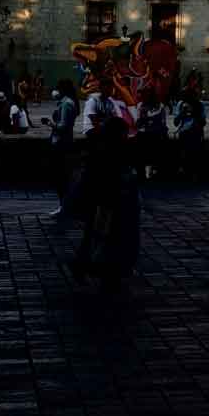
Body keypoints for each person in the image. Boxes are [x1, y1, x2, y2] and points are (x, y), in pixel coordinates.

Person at [69, 115, 140, 290]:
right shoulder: (109, 151)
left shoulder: (102, 148)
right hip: (107, 200)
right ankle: (97, 268)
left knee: (98, 236)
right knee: (104, 236)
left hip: (106, 200)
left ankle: (92, 267)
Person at [44, 80, 81, 223]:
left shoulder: (66, 103)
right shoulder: (68, 102)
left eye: (57, 88)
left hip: (61, 143)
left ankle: (64, 207)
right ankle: (65, 206)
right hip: (64, 142)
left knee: (61, 178)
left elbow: (63, 126)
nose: (55, 91)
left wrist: (49, 124)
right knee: (62, 177)